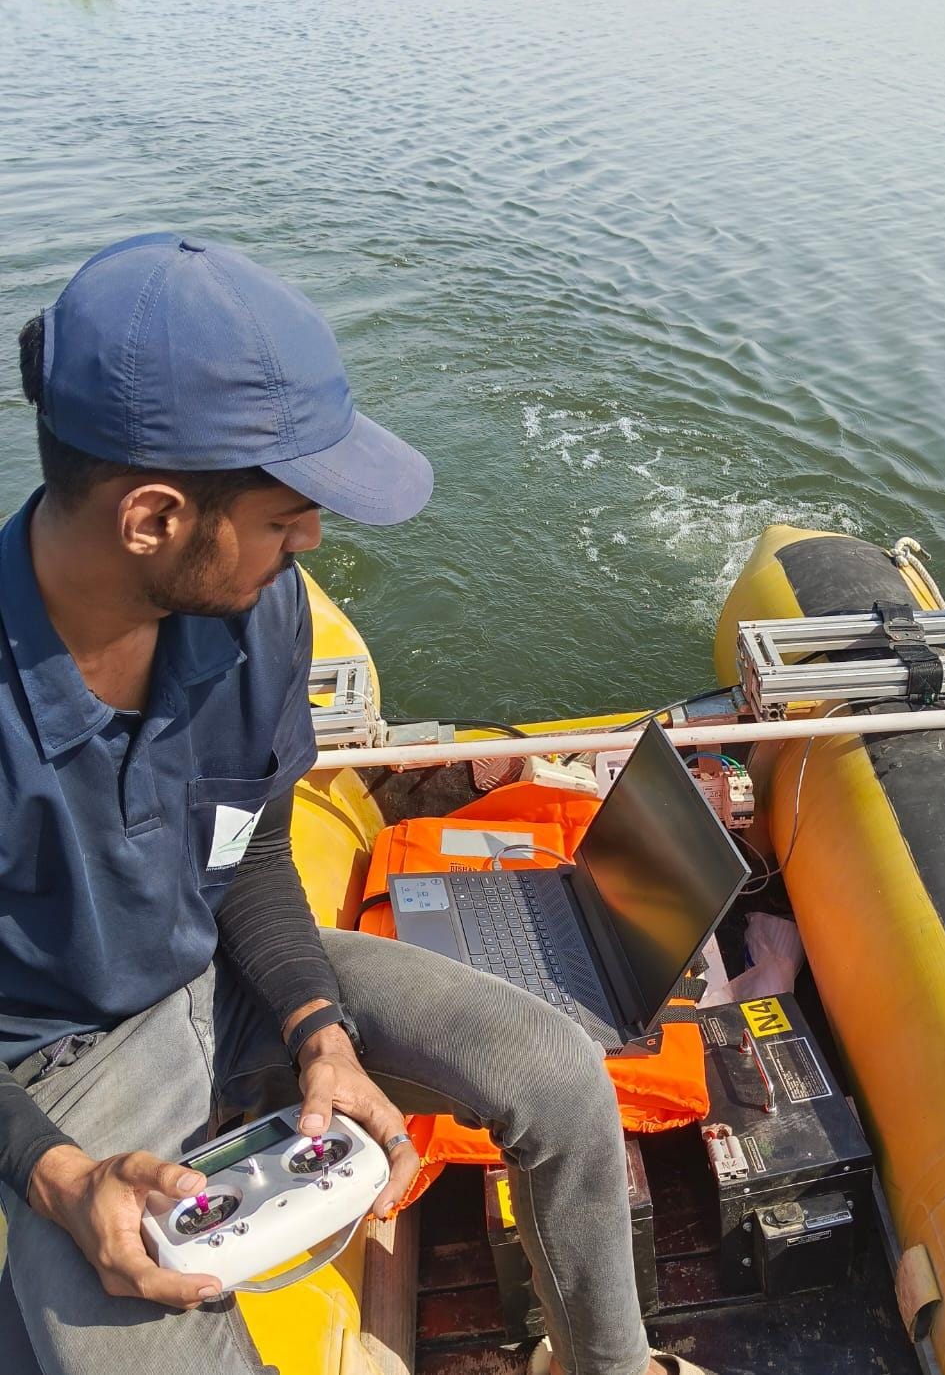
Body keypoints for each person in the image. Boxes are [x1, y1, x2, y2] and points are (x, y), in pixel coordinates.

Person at [0, 234, 709, 1375]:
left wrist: (316, 1027)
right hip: (56, 1069)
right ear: (152, 518)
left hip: (222, 981)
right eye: (286, 518)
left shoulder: (256, 618)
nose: (313, 543)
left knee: (557, 1072)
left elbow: (254, 846)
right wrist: (57, 1173)